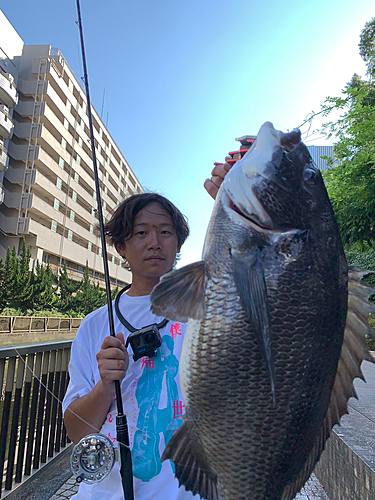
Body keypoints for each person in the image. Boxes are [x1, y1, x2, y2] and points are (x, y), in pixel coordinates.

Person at [62, 163, 231, 500]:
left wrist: (234, 199)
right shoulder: (95, 325)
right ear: (121, 247)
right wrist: (104, 387)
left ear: (178, 242)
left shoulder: (210, 305)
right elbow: (77, 431)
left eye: (165, 232)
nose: (154, 242)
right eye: (141, 233)